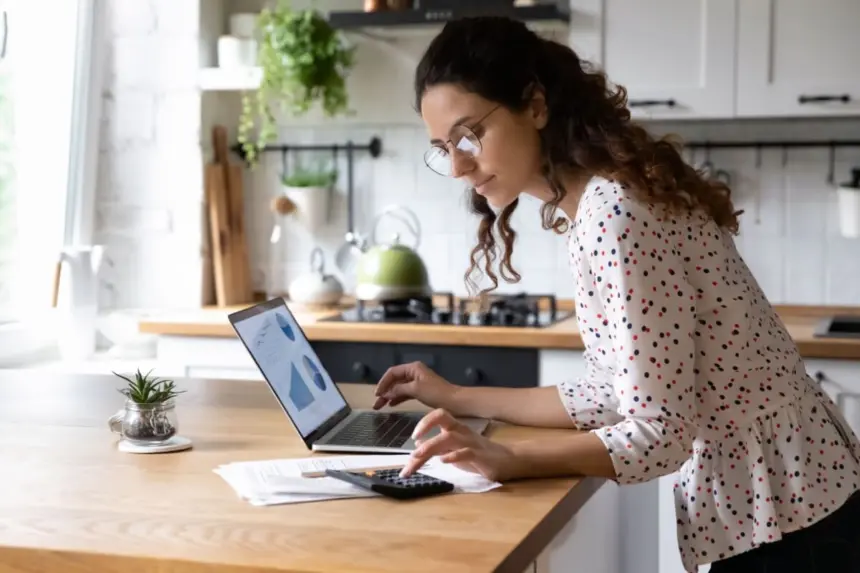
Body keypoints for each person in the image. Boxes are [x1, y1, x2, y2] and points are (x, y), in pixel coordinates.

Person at [370, 15, 860, 573]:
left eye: (469, 135)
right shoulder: (595, 205)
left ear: (534, 105)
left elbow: (659, 433)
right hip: (793, 505)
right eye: (442, 147)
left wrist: (508, 458)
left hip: (792, 524)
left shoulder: (614, 215)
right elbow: (614, 391)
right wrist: (457, 397)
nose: (458, 165)